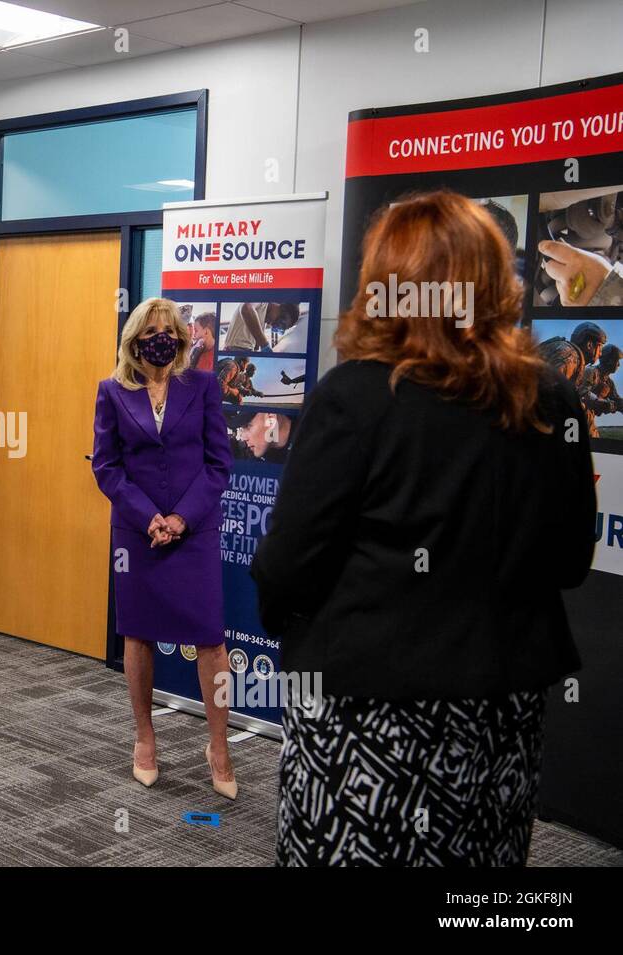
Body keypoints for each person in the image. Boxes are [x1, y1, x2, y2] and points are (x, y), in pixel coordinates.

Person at [253, 191, 595, 866]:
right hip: (500, 710)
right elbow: (568, 560)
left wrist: (292, 627)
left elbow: (287, 562)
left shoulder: (355, 395)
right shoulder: (550, 397)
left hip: (365, 708)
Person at [91, 297, 235, 796]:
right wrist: (149, 517)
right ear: (134, 340)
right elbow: (106, 467)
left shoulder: (203, 386)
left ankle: (218, 745)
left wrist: (180, 518)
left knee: (210, 641)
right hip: (138, 535)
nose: (162, 338)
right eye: (152, 330)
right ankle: (145, 738)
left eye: (170, 330)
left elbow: (219, 464)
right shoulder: (112, 391)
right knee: (138, 635)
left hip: (194, 530)